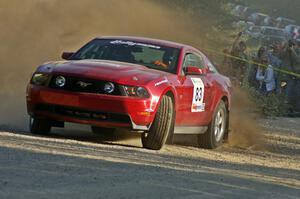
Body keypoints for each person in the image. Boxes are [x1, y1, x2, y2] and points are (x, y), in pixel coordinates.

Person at [279, 40, 300, 113]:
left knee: (289, 91)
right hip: (284, 76)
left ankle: (288, 107)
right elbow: (280, 56)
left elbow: (297, 60)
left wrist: (292, 51)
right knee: (283, 90)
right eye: (291, 44)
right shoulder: (285, 51)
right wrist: (285, 48)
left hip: (291, 76)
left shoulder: (295, 52)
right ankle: (282, 106)